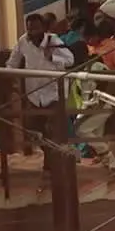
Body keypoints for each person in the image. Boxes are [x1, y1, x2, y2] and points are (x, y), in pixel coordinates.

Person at [6, 14, 76, 143]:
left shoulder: (54, 41)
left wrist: (52, 58)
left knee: (54, 133)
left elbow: (70, 60)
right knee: (35, 132)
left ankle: (55, 160)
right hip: (33, 95)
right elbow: (12, 63)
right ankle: (46, 160)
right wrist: (11, 78)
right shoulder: (23, 41)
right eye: (30, 29)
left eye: (36, 28)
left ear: (43, 28)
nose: (33, 33)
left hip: (54, 94)